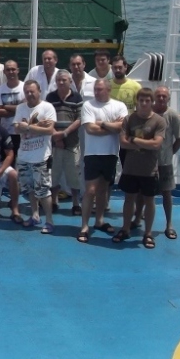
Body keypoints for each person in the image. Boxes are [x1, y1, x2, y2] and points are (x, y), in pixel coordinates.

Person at [76, 79, 128, 243]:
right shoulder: (88, 105)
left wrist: (103, 123)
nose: (97, 92)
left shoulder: (119, 106)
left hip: (111, 153)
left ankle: (99, 220)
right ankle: (84, 226)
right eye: (95, 89)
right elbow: (90, 129)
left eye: (100, 89)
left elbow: (122, 127)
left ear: (108, 90)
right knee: (90, 190)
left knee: (103, 189)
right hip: (92, 154)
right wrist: (112, 127)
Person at [114, 88, 166, 248]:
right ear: (137, 101)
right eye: (141, 100)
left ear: (152, 102)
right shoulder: (129, 119)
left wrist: (134, 140)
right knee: (129, 199)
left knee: (149, 201)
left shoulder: (159, 121)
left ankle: (148, 233)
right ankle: (125, 228)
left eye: (147, 101)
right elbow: (123, 143)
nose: (144, 103)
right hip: (130, 168)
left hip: (149, 170)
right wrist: (146, 143)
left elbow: (156, 144)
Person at [12, 81, 57, 233]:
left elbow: (49, 130)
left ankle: (49, 221)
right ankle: (35, 215)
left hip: (41, 158)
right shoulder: (20, 108)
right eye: (27, 92)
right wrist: (38, 127)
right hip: (24, 157)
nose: (29, 94)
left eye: (32, 91)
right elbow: (16, 129)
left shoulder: (47, 107)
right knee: (29, 189)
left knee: (43, 191)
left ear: (39, 91)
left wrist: (28, 127)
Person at [46, 70, 84, 213]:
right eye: (58, 80)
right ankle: (54, 201)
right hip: (54, 144)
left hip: (72, 144)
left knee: (73, 175)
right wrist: (56, 136)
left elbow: (79, 119)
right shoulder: (50, 97)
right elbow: (47, 118)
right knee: (54, 175)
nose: (61, 82)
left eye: (64, 80)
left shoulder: (77, 97)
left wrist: (64, 133)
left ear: (70, 81)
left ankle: (76, 203)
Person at [153, 86, 180, 240]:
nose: (161, 98)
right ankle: (138, 219)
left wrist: (170, 153)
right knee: (143, 193)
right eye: (158, 95)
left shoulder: (172, 115)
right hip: (147, 162)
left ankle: (169, 224)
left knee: (166, 193)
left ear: (168, 98)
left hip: (165, 162)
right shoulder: (148, 113)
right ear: (154, 97)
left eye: (164, 96)